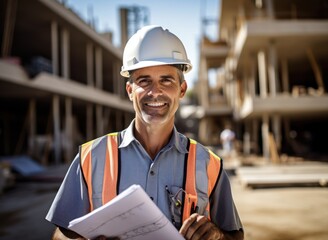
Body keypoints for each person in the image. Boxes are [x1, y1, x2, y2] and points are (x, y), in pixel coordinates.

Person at [46, 25, 244, 240]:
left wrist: (217, 236)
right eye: (144, 81)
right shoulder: (90, 158)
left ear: (182, 90)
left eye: (166, 80)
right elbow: (60, 235)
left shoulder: (209, 164)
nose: (155, 92)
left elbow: (235, 235)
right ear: (130, 91)